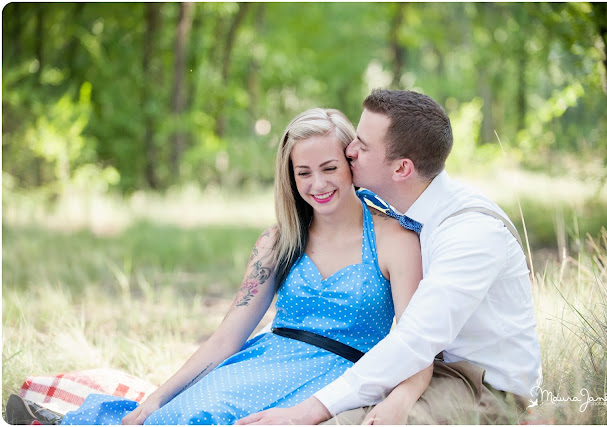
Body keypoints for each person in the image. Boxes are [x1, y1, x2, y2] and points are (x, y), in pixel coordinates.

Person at [44, 108, 427, 425]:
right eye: (303, 173)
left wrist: (402, 400)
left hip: (339, 381)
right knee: (192, 416)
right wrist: (157, 398)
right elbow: (227, 337)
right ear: (290, 178)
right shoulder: (277, 242)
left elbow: (417, 343)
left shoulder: (396, 240)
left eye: (329, 168)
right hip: (261, 367)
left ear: (351, 163)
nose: (318, 184)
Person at [237, 89, 543, 425]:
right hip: (425, 370)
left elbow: (416, 339)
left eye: (362, 146)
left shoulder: (470, 233)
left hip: (485, 389)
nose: (349, 150)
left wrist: (307, 412)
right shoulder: (404, 209)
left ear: (401, 169)